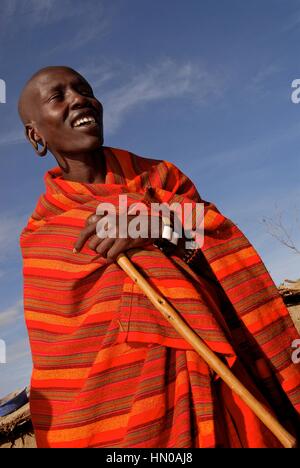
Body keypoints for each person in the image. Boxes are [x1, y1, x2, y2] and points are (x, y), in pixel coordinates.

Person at [18, 66, 299, 448]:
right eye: (58, 96)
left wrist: (157, 227)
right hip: (127, 420)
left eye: (84, 89)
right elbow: (63, 355)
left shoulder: (162, 178)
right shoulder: (43, 235)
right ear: (35, 134)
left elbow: (223, 254)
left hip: (220, 377)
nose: (79, 99)